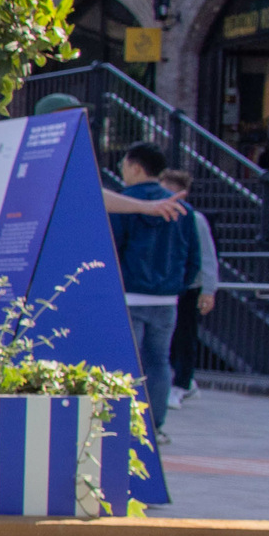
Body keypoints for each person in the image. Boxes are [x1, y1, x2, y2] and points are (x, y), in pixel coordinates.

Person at [110, 143, 196, 441]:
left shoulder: (121, 203)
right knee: (159, 361)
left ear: (135, 167)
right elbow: (193, 255)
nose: (122, 170)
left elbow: (113, 248)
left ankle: (124, 421)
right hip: (166, 298)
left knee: (125, 360)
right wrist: (177, 286)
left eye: (124, 164)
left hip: (127, 294)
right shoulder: (182, 208)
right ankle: (154, 425)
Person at [161, 166, 217, 405]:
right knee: (169, 337)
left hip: (189, 285)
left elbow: (206, 255)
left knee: (184, 335)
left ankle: (182, 384)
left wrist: (208, 289)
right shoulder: (159, 213)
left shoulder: (194, 219)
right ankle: (186, 380)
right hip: (167, 284)